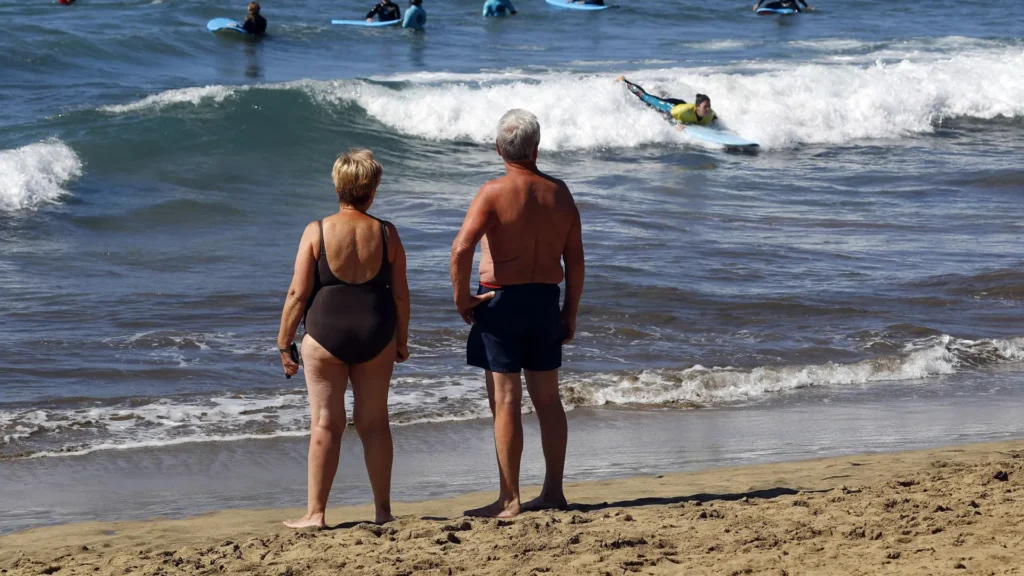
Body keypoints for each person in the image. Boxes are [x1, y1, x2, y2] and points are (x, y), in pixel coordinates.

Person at [450, 109, 585, 519]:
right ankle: (553, 491)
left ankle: (509, 498)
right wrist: (569, 312)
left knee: (506, 402)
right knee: (548, 401)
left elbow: (461, 249)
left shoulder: (493, 192)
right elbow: (575, 261)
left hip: (500, 302)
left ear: (498, 149)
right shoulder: (559, 192)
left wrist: (461, 299)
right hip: (545, 300)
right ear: (536, 148)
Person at [277, 149, 411, 529]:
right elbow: (401, 294)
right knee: (375, 424)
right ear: (373, 190)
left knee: (324, 424)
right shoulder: (387, 233)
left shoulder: (316, 230)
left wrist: (283, 340)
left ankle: (316, 514)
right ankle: (383, 512)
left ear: (338, 186)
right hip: (376, 332)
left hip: (324, 335)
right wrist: (401, 339)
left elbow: (298, 294)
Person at [616, 75, 716, 126]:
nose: (707, 109)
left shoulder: (710, 114)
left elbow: (715, 118)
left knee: (663, 98)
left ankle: (661, 91)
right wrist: (676, 125)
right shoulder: (682, 111)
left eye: (709, 106)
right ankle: (623, 80)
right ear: (697, 106)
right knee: (646, 98)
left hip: (680, 103)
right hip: (671, 107)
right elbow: (667, 116)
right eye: (705, 107)